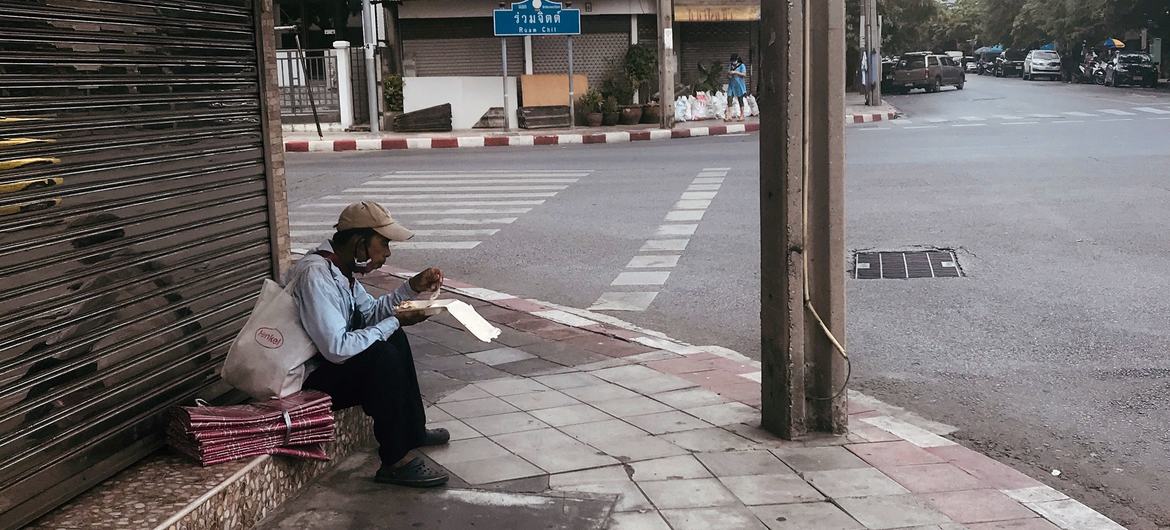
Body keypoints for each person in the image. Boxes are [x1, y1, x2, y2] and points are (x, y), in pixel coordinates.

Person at [284, 200, 450, 488]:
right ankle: (395, 460)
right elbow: (336, 348)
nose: (386, 253)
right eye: (382, 244)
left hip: (331, 362)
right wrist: (396, 321)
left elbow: (372, 313)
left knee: (392, 336)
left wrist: (411, 288)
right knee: (381, 356)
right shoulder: (316, 275)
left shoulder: (340, 270)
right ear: (360, 242)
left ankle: (413, 431)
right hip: (308, 376)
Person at [726, 53, 748, 122]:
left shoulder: (742, 66)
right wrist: (729, 74)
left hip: (739, 85)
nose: (733, 62)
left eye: (734, 60)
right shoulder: (730, 66)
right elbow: (728, 74)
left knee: (740, 99)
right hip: (732, 84)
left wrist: (736, 72)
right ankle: (729, 115)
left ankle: (742, 115)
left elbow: (744, 74)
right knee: (729, 98)